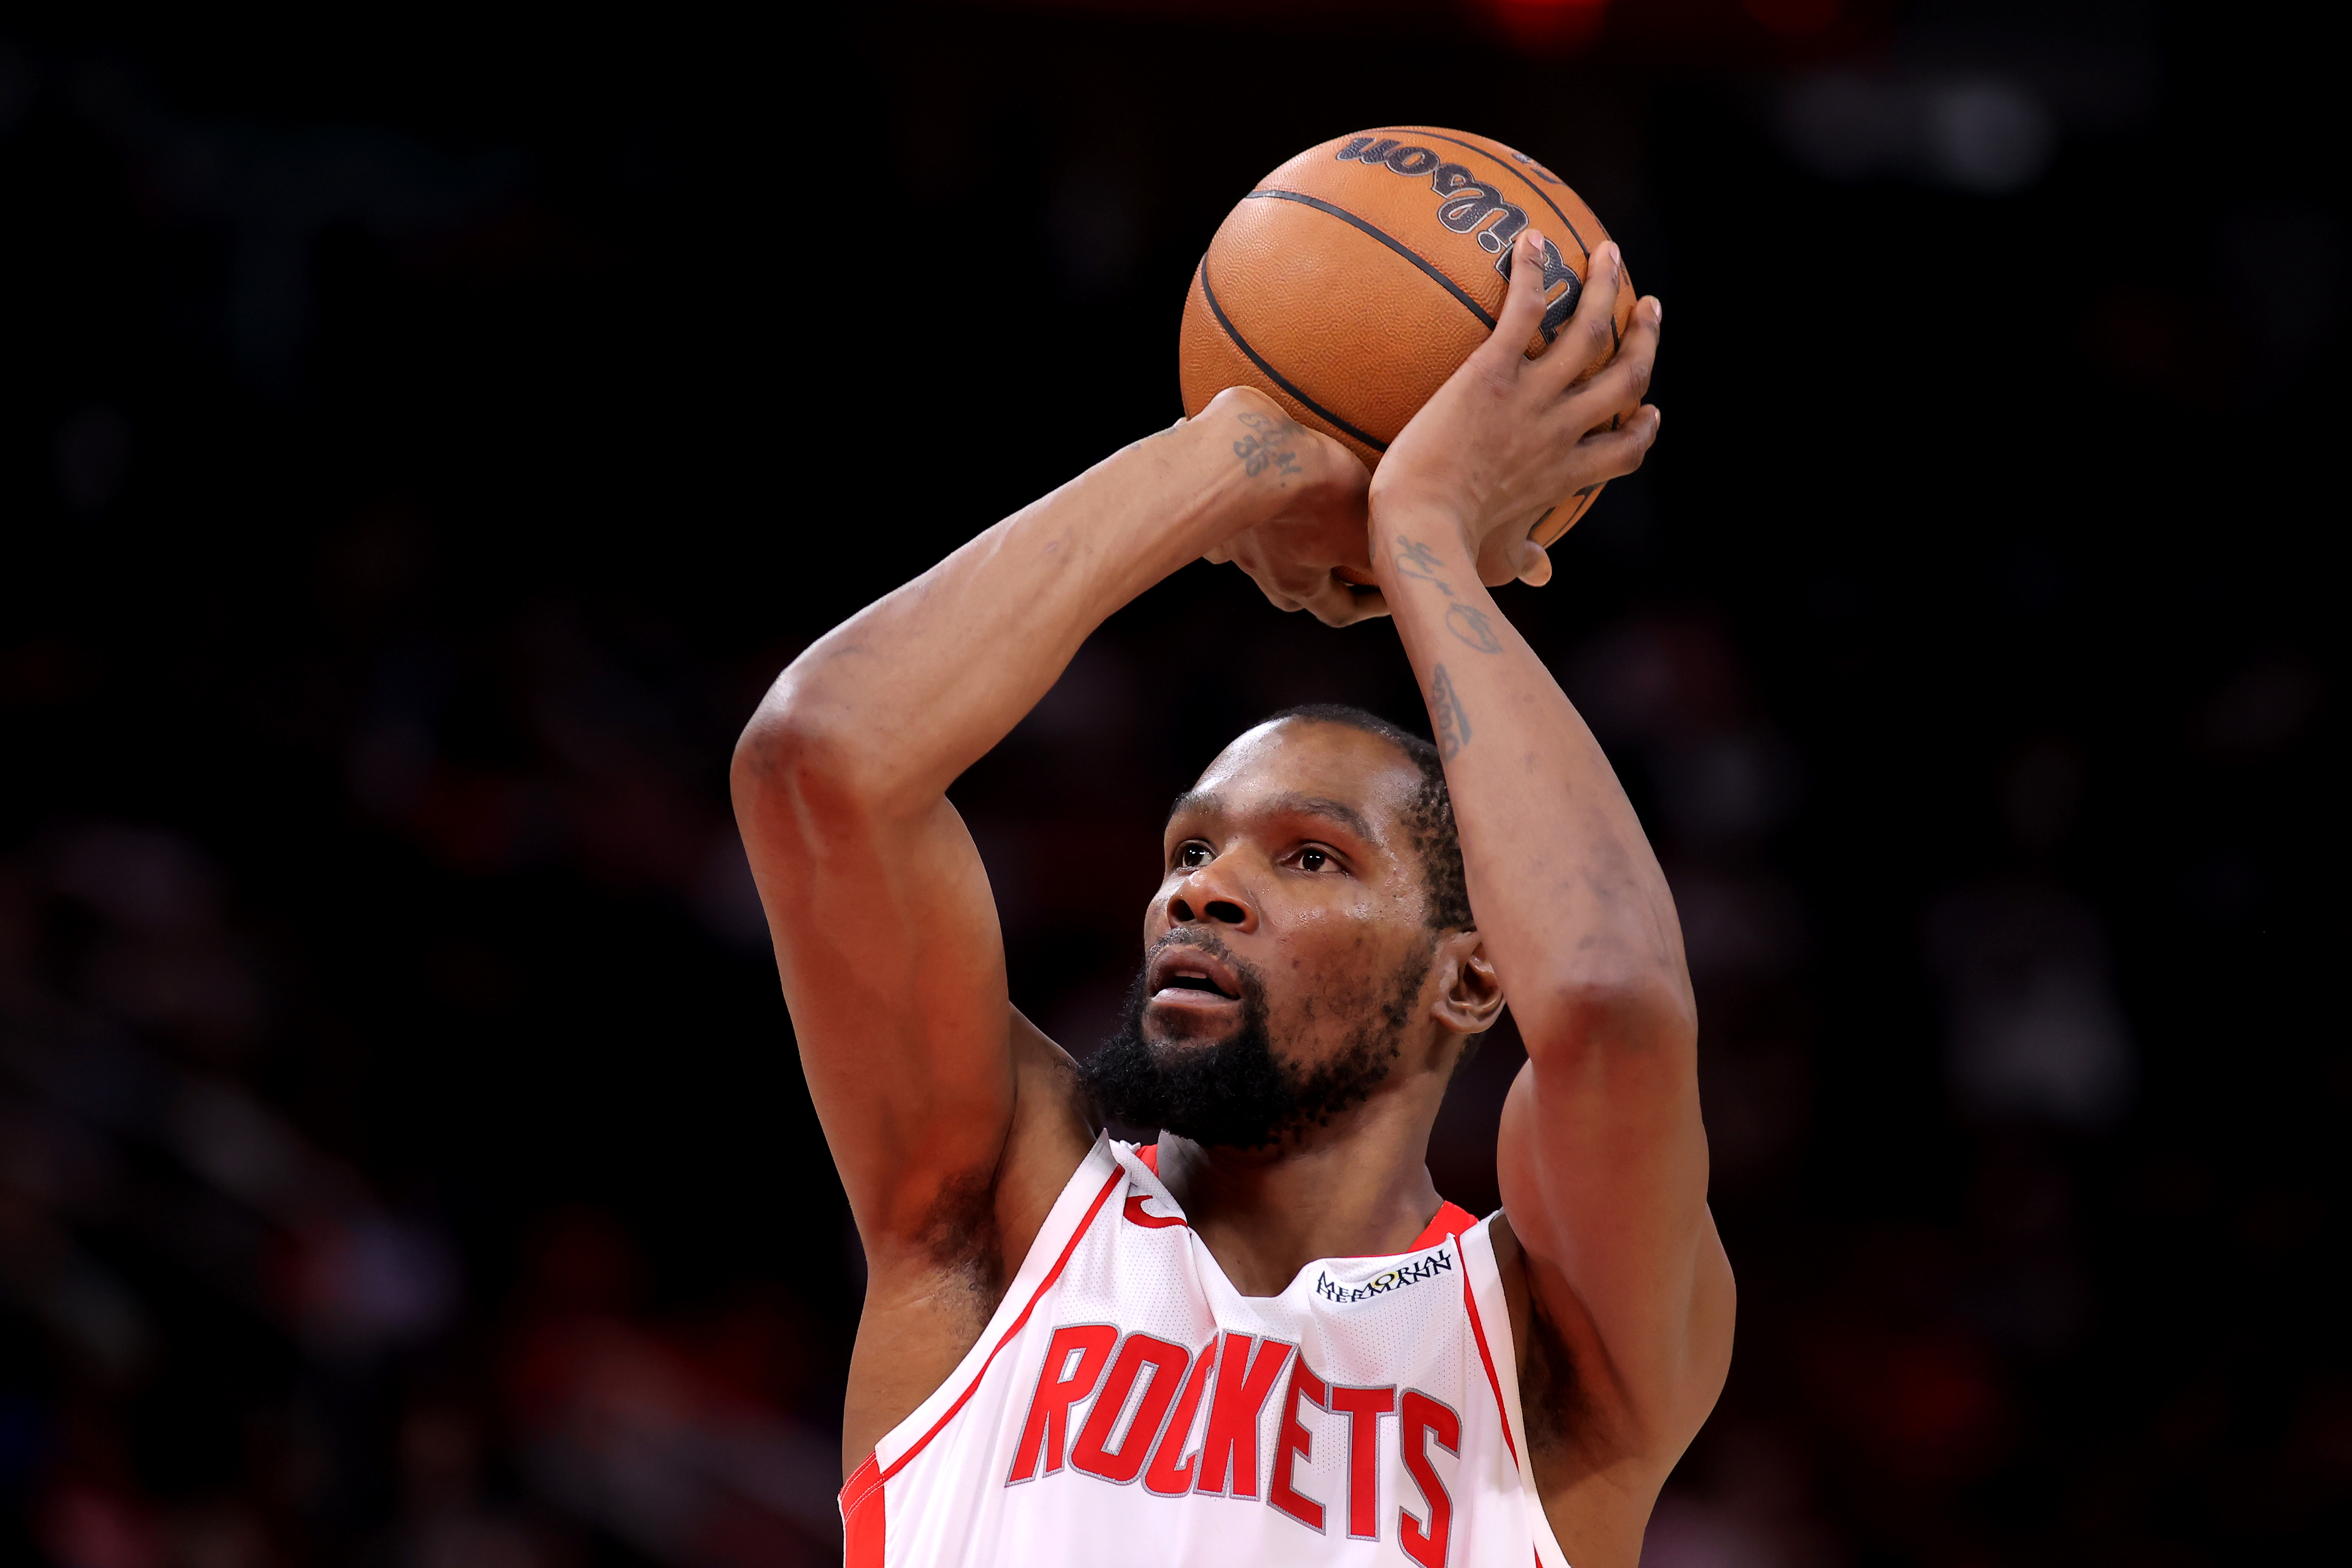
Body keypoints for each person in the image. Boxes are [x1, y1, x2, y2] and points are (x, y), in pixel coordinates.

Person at [731, 226, 1730, 1567]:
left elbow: (1615, 1005)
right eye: (1189, 853)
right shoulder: (999, 1219)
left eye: (1309, 856)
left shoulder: (1545, 1343)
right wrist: (1253, 445)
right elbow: (822, 764)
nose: (1202, 896)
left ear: (1471, 973)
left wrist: (1423, 535)